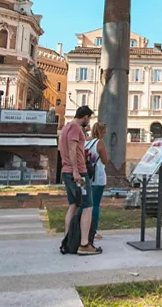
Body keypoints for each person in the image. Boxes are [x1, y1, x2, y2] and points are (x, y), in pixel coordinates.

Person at [58, 106, 101, 255]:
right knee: (88, 205)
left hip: (66, 171)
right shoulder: (76, 128)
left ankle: (68, 240)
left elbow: (62, 148)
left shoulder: (65, 128)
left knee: (73, 205)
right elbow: (72, 149)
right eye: (88, 118)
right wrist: (76, 170)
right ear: (85, 117)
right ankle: (84, 244)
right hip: (78, 173)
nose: (88, 121)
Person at [85, 122, 109, 241]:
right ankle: (93, 231)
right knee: (95, 205)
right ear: (101, 131)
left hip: (86, 175)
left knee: (85, 204)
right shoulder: (99, 143)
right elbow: (105, 160)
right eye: (104, 131)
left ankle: (82, 228)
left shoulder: (85, 141)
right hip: (97, 175)